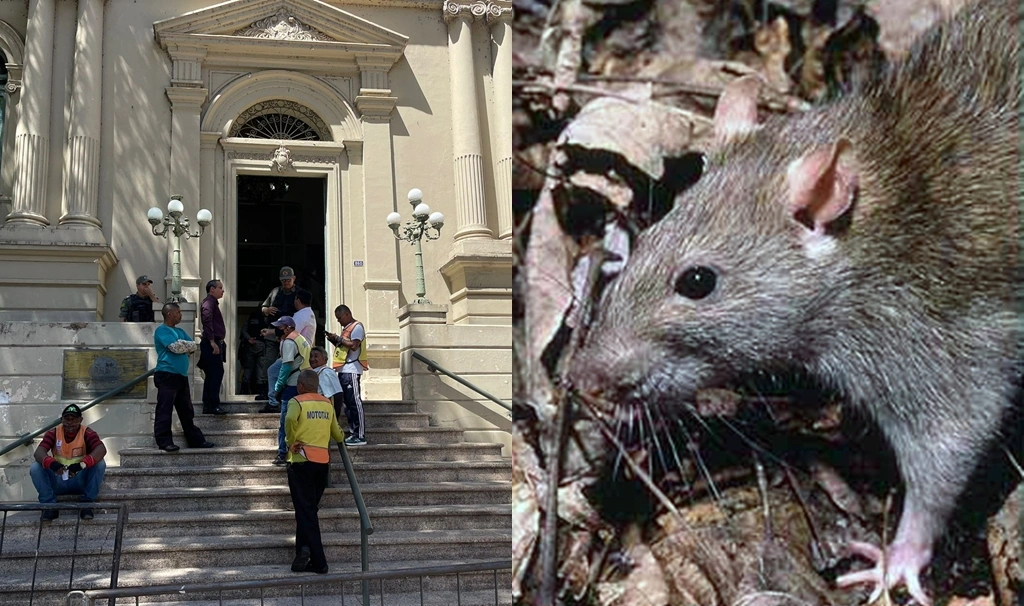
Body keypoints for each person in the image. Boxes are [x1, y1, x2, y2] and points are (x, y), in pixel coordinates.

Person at [285, 369, 344, 575]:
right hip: (322, 463)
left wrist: (291, 441)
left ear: (300, 386)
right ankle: (303, 550)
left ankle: (319, 561)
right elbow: (337, 434)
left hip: (301, 460)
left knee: (306, 511)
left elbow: (289, 420)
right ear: (316, 386)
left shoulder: (296, 401)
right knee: (308, 509)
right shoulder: (327, 403)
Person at [154, 302, 216, 452]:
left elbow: (193, 345)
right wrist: (183, 346)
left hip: (181, 376)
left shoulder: (180, 331)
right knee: (165, 409)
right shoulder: (162, 330)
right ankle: (164, 442)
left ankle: (196, 441)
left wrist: (184, 345)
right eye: (178, 312)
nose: (181, 315)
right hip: (166, 375)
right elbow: (175, 348)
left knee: (186, 411)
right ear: (169, 314)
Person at [29, 404, 107, 521]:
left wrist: (81, 465)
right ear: (62, 420)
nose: (70, 423)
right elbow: (39, 452)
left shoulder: (87, 433)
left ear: (80, 420)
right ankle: (49, 506)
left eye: (74, 419)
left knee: (100, 463)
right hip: (58, 479)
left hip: (79, 479)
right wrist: (51, 463)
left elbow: (101, 449)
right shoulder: (53, 433)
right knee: (35, 467)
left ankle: (87, 504)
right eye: (67, 419)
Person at [270, 316, 312, 465]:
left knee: (286, 422)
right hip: (304, 384)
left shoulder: (289, 341)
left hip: (292, 386)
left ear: (288, 328)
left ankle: (283, 453)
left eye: (280, 327)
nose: (277, 330)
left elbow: (286, 366)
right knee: (301, 422)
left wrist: (278, 387)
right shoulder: (301, 338)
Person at [259, 267, 300, 413]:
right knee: (269, 363)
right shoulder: (275, 292)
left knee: (287, 365)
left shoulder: (299, 294)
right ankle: (266, 391)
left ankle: (280, 394)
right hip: (273, 332)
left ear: (294, 278)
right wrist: (267, 310)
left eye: (288, 280)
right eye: (283, 280)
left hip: (289, 335)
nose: (286, 282)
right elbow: (263, 307)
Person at [325, 305, 366, 446]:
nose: (339, 321)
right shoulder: (347, 329)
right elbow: (344, 347)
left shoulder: (357, 327)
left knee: (354, 402)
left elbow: (354, 345)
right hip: (343, 370)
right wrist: (334, 339)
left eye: (340, 318)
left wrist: (338, 338)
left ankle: (360, 435)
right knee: (347, 404)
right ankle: (353, 433)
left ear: (347, 314)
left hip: (352, 370)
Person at [198, 279, 227, 415]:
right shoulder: (209, 303)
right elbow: (207, 320)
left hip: (213, 342)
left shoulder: (212, 303)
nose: (223, 290)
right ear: (212, 289)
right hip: (211, 343)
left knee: (212, 374)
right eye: (220, 288)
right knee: (216, 373)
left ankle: (209, 405)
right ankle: (213, 405)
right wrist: (212, 341)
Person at [240, 308, 275, 399]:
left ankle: (244, 391)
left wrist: (249, 339)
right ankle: (260, 391)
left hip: (250, 345)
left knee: (248, 368)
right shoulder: (267, 319)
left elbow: (244, 330)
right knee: (260, 369)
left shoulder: (251, 317)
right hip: (262, 345)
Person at [309, 346, 343, 419]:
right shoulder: (317, 373)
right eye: (311, 356)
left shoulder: (326, 373)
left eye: (316, 356)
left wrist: (333, 418)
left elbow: (335, 396)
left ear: (325, 359)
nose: (312, 359)